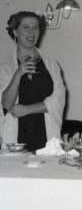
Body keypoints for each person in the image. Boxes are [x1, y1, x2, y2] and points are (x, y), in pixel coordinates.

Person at [0, 11, 66, 151]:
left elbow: (58, 100)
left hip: (46, 136)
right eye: (26, 27)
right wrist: (18, 74)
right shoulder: (5, 67)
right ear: (15, 32)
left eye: (35, 27)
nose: (32, 32)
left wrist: (26, 110)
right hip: (16, 138)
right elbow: (5, 104)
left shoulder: (51, 64)